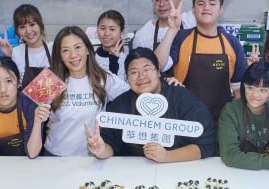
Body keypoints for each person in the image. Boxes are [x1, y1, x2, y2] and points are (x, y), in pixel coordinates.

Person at [86, 48, 217, 162]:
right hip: (136, 174)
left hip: (180, 170)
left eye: (147, 69)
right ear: (127, 77)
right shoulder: (120, 106)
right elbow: (109, 145)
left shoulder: (183, 99)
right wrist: (100, 149)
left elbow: (206, 145)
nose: (141, 76)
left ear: (158, 71)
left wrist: (167, 156)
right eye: (134, 72)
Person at [36, 26, 129, 157]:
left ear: (87, 49)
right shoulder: (49, 80)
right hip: (55, 155)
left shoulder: (103, 78)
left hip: (92, 157)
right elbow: (30, 115)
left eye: (78, 47)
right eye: (65, 50)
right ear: (60, 56)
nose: (73, 55)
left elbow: (132, 97)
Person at [162, 0, 248, 124]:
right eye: (200, 4)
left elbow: (238, 92)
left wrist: (241, 124)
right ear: (193, 10)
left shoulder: (232, 43)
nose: (206, 7)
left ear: (221, 10)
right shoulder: (181, 37)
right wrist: (172, 29)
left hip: (222, 122)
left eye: (212, 4)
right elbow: (159, 65)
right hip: (183, 119)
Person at [217, 62, 269, 170]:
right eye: (250, 88)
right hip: (236, 173)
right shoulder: (231, 111)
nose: (255, 95)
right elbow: (229, 155)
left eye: (263, 90)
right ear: (243, 86)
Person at [0, 4, 52, 87]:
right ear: (17, 31)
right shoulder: (16, 53)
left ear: (40, 24)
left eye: (32, 24)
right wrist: (8, 58)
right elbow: (11, 86)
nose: (28, 31)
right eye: (22, 27)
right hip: (25, 100)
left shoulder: (54, 48)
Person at [94, 10, 129, 81]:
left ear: (121, 32)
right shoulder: (91, 58)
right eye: (102, 28)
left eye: (112, 29)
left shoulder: (127, 60)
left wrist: (114, 62)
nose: (106, 33)